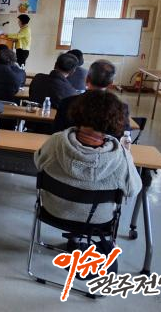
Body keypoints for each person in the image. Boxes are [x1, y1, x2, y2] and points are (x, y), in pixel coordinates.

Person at [34, 90, 141, 225]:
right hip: (98, 220)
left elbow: (38, 162)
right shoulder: (121, 156)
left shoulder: (54, 142)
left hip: (53, 211)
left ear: (76, 111)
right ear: (116, 120)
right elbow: (132, 189)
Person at [53, 59, 132, 138]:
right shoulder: (121, 108)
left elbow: (56, 133)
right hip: (108, 146)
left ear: (87, 79)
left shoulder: (67, 102)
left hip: (68, 145)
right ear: (110, 84)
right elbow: (125, 138)